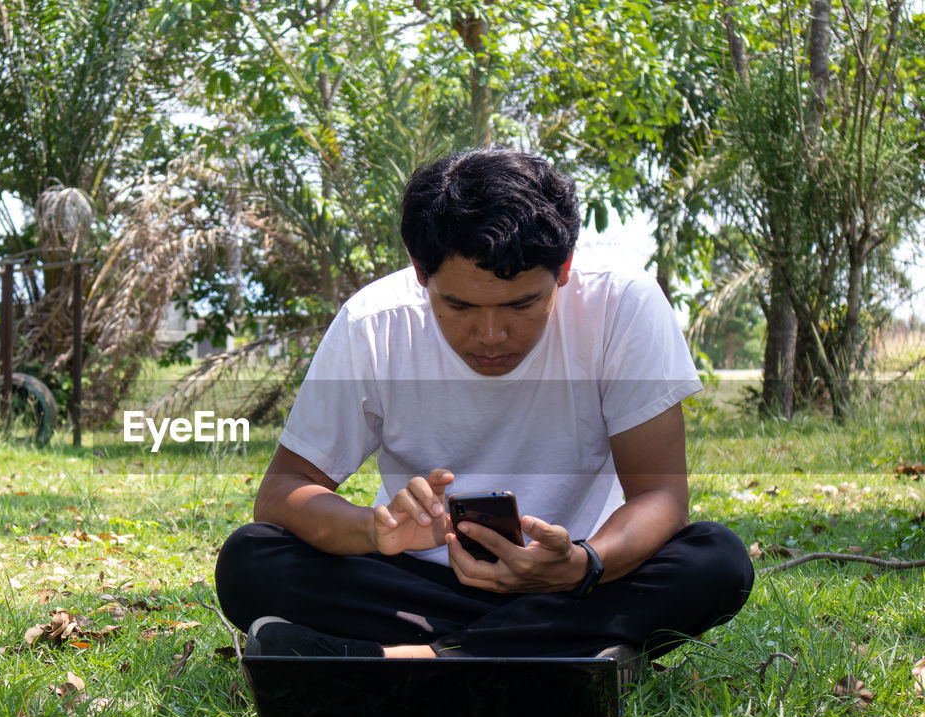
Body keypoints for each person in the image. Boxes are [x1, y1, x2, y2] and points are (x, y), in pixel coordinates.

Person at [215, 147, 753, 680]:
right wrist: (373, 531)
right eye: (460, 307)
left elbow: (661, 498)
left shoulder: (622, 305)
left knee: (715, 560)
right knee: (250, 559)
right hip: (418, 584)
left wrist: (581, 564)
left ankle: (420, 663)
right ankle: (564, 652)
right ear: (419, 272)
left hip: (579, 578)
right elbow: (284, 491)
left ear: (563, 270)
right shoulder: (374, 323)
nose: (491, 335)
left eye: (521, 305)